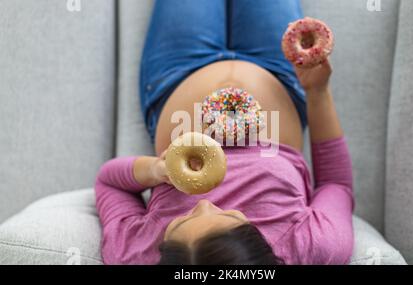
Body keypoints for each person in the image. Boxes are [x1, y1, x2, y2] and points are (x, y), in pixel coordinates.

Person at [95, 0, 354, 265]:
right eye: (231, 216)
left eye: (179, 222)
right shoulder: (316, 247)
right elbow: (336, 185)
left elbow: (107, 181)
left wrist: (154, 170)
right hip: (284, 74)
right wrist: (317, 91)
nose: (203, 204)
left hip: (177, 72)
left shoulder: (131, 254)